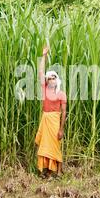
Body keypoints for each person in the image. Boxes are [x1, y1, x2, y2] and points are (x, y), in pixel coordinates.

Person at [35, 45, 67, 180]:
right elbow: (41, 72)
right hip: (45, 119)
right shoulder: (45, 90)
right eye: (50, 78)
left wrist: (61, 129)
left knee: (55, 146)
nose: (51, 79)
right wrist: (44, 55)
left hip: (55, 121)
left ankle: (58, 172)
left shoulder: (61, 94)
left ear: (57, 80)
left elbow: (64, 112)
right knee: (43, 145)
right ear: (47, 81)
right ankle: (46, 171)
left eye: (54, 77)